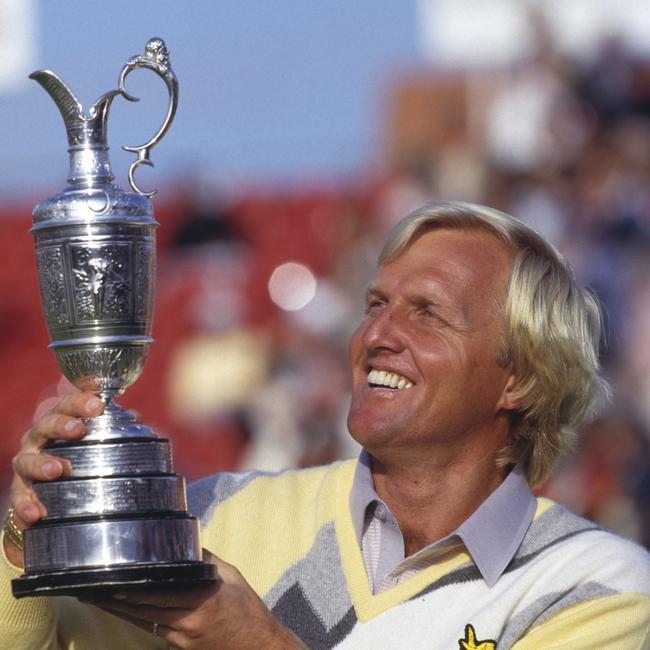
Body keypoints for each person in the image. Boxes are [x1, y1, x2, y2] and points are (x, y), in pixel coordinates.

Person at [2, 202, 650, 649]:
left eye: (426, 314)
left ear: (522, 377)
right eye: (375, 304)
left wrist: (256, 644)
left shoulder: (598, 588)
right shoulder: (213, 518)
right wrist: (29, 540)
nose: (377, 335)